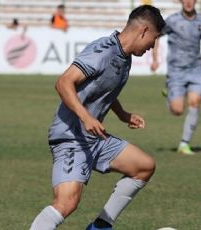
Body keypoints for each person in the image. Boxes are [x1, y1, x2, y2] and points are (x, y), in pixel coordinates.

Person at [30, 5, 165, 230]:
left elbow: (103, 89)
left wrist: (123, 115)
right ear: (143, 31)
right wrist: (86, 117)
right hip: (71, 136)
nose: (153, 45)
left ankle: (101, 226)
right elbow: (64, 82)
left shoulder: (125, 57)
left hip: (94, 138)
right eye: (155, 38)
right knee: (66, 203)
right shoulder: (103, 50)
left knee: (143, 166)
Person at [151, 0, 201, 155]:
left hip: (195, 69)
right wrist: (155, 59)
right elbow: (156, 36)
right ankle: (170, 94)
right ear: (181, 1)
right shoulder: (172, 20)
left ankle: (184, 144)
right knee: (177, 110)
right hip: (176, 70)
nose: (189, 2)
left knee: (195, 102)